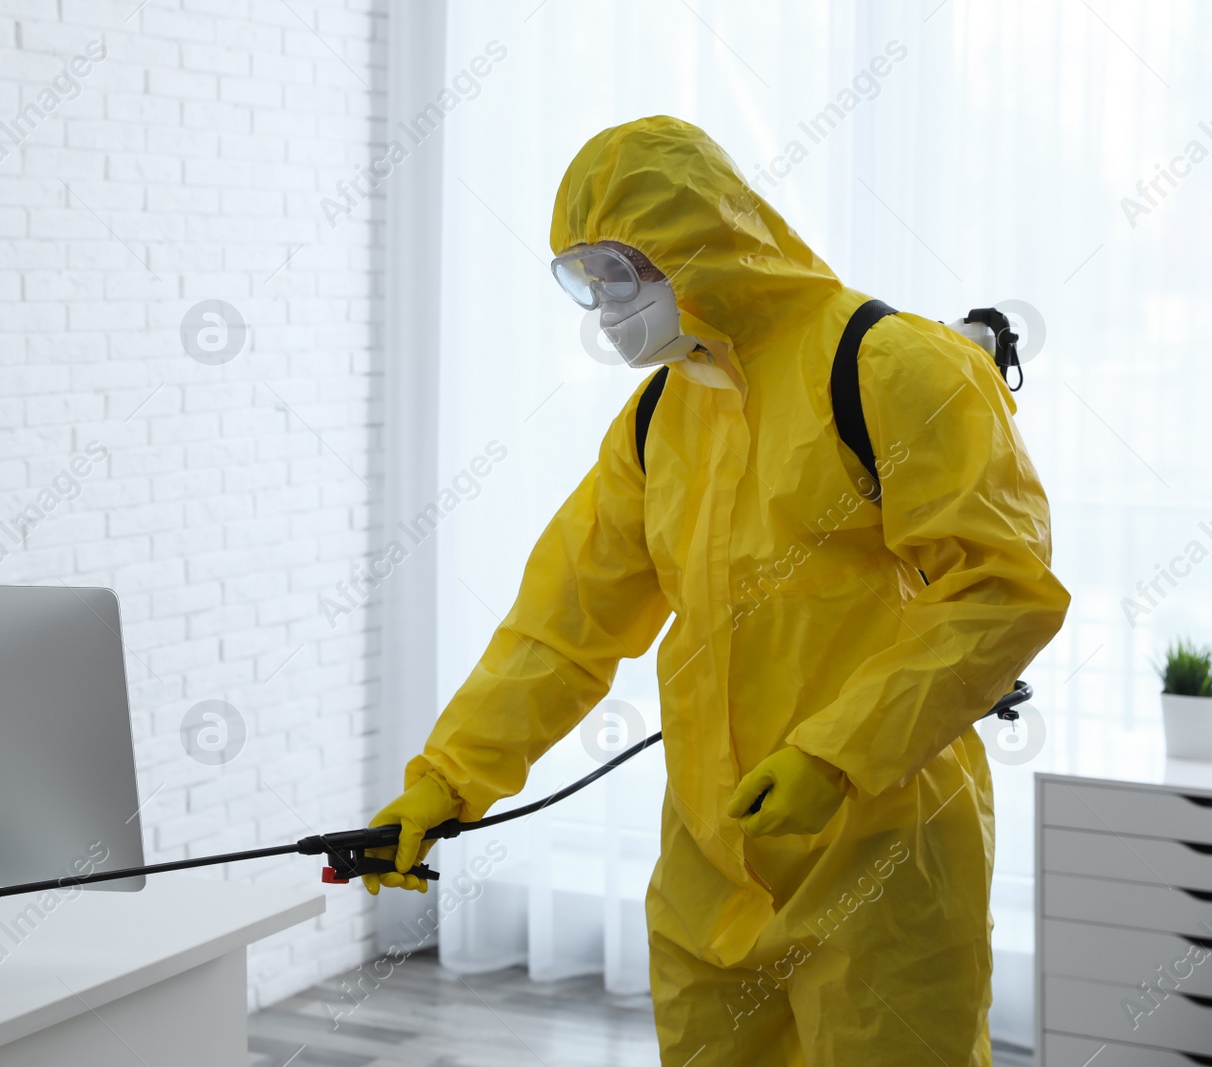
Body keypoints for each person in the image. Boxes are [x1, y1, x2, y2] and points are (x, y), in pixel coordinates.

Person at [363, 116, 1069, 1066]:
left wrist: (835, 754)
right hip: (711, 864)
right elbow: (561, 628)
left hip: (883, 852)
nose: (609, 303)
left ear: (700, 243)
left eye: (621, 269)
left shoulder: (890, 366)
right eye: (587, 279)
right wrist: (446, 781)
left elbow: (1004, 592)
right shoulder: (659, 417)